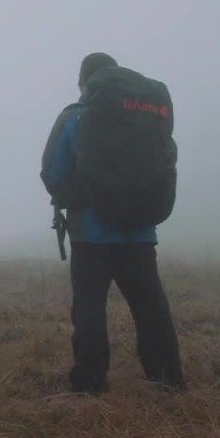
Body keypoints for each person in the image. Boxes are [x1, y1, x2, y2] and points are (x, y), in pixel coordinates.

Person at [40, 53, 185, 394]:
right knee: (150, 305)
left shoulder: (74, 118)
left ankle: (90, 381)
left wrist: (76, 197)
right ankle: (166, 378)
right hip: (140, 230)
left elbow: (53, 172)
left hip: (91, 234)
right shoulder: (144, 118)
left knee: (90, 308)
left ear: (84, 83)